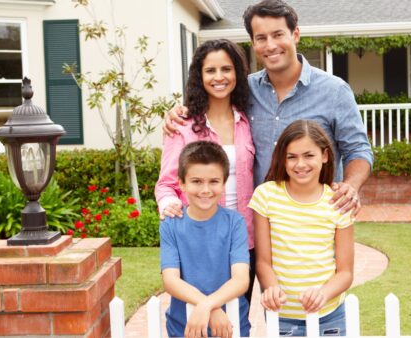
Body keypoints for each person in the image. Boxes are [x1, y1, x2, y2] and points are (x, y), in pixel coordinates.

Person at [164, 0, 373, 217]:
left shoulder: (334, 90)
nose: (270, 45)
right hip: (261, 221)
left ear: (296, 34)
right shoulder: (245, 90)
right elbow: (211, 104)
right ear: (253, 43)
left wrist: (351, 185)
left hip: (315, 220)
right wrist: (179, 113)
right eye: (261, 38)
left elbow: (358, 149)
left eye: (278, 34)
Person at [155, 39, 258, 302]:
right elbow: (166, 184)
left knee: (237, 316)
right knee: (200, 314)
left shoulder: (249, 120)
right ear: (199, 77)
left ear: (237, 72)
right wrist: (169, 205)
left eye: (226, 69)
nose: (219, 77)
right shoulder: (183, 125)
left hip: (245, 237)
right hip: (200, 239)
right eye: (210, 71)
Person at [249, 120, 354, 336]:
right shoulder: (266, 196)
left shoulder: (338, 202)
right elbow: (263, 262)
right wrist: (271, 288)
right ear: (283, 159)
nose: (300, 164)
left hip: (329, 316)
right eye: (292, 157)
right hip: (283, 317)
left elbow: (345, 272)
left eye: (309, 155)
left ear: (324, 155)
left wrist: (323, 294)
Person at [160, 141, 251, 338]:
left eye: (214, 181)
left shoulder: (235, 222)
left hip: (231, 325)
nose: (205, 189)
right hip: (184, 326)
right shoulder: (171, 225)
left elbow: (241, 279)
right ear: (182, 183)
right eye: (197, 181)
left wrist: (207, 305)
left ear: (224, 183)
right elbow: (170, 280)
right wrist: (209, 307)